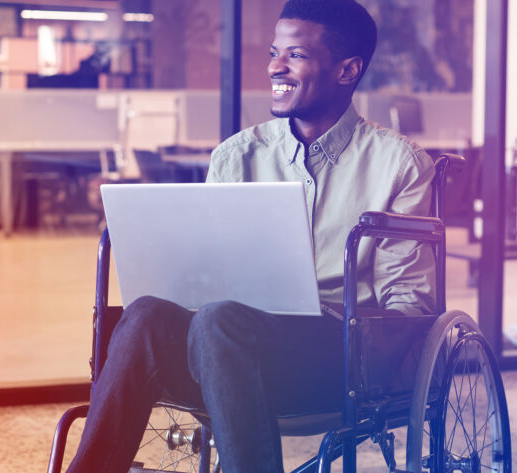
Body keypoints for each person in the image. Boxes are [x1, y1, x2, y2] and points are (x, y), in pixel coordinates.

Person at [65, 1, 436, 472]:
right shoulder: (237, 156)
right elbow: (205, 275)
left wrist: (369, 342)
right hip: (225, 350)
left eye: (296, 55)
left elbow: (409, 305)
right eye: (274, 52)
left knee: (221, 321)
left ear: (348, 70)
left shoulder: (398, 165)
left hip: (338, 359)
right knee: (144, 314)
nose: (275, 67)